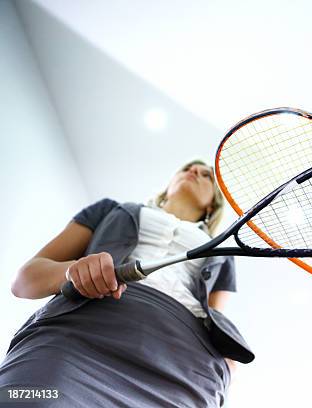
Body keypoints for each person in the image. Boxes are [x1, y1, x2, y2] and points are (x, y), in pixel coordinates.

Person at [1, 160, 254, 407]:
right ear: (168, 185)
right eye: (188, 168)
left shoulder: (222, 253)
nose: (195, 171)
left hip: (185, 367)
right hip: (79, 333)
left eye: (207, 175)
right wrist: (73, 272)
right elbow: (24, 281)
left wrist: (226, 371)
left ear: (212, 205)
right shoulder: (109, 210)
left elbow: (216, 317)